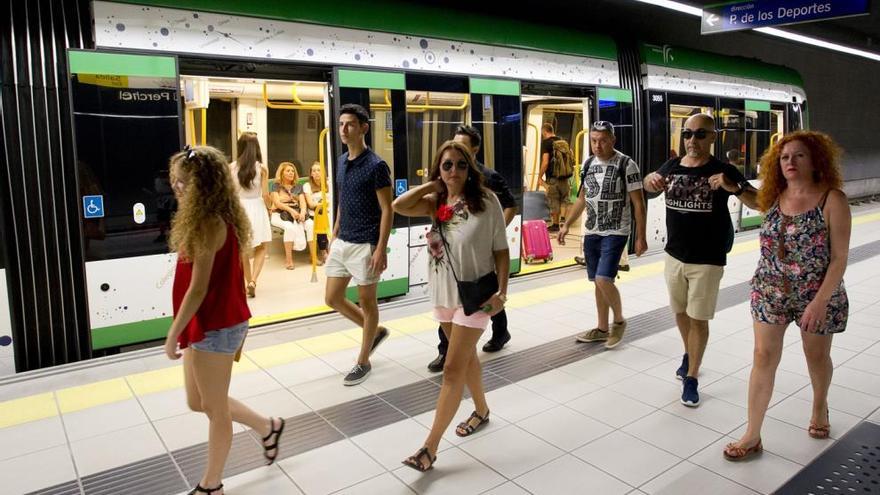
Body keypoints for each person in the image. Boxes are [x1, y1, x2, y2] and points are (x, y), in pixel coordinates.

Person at [164, 146, 285, 495]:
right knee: (196, 401)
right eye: (174, 179)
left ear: (202, 184)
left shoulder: (208, 222)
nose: (176, 186)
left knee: (215, 409)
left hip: (217, 324)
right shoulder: (209, 216)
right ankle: (267, 426)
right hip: (205, 321)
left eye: (183, 181)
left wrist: (173, 334)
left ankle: (210, 485)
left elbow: (199, 288)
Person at [723, 131, 850, 461]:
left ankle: (820, 406)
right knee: (763, 356)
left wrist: (821, 301)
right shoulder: (774, 194)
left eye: (799, 156)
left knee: (816, 358)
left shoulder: (832, 199)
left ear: (815, 160)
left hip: (817, 295)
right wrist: (735, 187)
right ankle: (752, 434)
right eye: (784, 157)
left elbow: (839, 258)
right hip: (770, 291)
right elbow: (754, 200)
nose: (790, 162)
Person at [393, 140, 509, 472]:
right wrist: (436, 184)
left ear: (470, 168)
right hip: (443, 294)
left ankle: (429, 448)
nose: (454, 171)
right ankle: (482, 411)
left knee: (451, 370)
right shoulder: (437, 202)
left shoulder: (487, 201)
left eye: (460, 165)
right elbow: (400, 204)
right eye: (447, 165)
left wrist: (502, 292)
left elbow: (501, 249)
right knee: (467, 358)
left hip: (476, 297)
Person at [643, 113, 758, 407]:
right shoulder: (671, 165)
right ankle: (689, 352)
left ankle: (692, 377)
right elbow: (648, 184)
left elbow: (761, 202)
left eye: (700, 134)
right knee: (680, 312)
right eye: (688, 134)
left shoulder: (724, 169)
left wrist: (735, 188)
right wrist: (650, 180)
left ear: (713, 137)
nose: (692, 140)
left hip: (707, 259)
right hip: (674, 256)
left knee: (698, 318)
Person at [427, 125, 517, 373]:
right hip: (451, 272)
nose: (454, 166)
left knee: (482, 295)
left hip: (480, 253)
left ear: (474, 150)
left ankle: (499, 333)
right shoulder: (444, 190)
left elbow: (510, 205)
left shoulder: (490, 178)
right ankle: (446, 350)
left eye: (463, 147)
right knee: (456, 300)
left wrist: (488, 232)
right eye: (447, 164)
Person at [558, 121, 647, 349]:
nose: (597, 146)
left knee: (603, 279)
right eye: (594, 140)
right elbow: (581, 199)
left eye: (603, 140)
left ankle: (618, 322)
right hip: (592, 231)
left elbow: (639, 203)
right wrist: (567, 224)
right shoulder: (587, 164)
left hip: (616, 231)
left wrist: (640, 237)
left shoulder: (627, 164)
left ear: (613, 140)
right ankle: (601, 328)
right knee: (597, 283)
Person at [324, 104, 393, 386]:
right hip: (343, 240)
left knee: (367, 302)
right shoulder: (341, 162)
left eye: (350, 124)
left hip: (365, 243)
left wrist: (380, 247)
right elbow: (343, 198)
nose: (344, 129)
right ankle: (373, 331)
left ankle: (363, 361)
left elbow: (387, 209)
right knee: (332, 298)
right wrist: (336, 228)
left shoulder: (376, 165)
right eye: (341, 124)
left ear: (364, 128)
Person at [231, 132, 272, 298]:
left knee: (242, 250)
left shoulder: (231, 167)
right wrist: (270, 208)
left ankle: (248, 283)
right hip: (257, 207)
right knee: (261, 246)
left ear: (240, 147)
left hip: (239, 209)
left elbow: (230, 193)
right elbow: (265, 195)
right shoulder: (261, 168)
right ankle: (254, 281)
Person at [269, 162, 315, 270]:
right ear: (281, 173)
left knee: (310, 224)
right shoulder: (275, 186)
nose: (291, 173)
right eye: (288, 171)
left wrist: (303, 212)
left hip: (296, 212)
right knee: (289, 228)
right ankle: (289, 260)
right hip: (279, 214)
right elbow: (277, 203)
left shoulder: (298, 186)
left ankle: (313, 257)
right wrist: (291, 210)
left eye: (293, 171)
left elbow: (303, 203)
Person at [538, 123, 573, 232]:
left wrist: (539, 176)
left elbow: (545, 162)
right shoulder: (563, 142)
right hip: (565, 177)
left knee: (554, 200)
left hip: (553, 178)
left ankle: (556, 224)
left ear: (544, 131)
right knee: (564, 199)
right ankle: (564, 221)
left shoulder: (546, 143)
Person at [302, 161, 330, 265]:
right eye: (314, 171)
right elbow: (310, 204)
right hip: (316, 214)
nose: (316, 173)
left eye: (319, 170)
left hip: (329, 212)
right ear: (311, 173)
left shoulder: (329, 183)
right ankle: (323, 252)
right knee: (320, 221)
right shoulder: (307, 186)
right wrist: (323, 204)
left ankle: (331, 251)